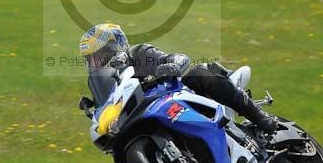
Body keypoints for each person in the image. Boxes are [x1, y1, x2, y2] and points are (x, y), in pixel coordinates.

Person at [79, 23, 278, 134]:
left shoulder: (140, 53)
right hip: (148, 118)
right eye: (92, 60)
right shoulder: (106, 81)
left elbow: (177, 58)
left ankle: (260, 116)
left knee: (199, 72)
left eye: (101, 56)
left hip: (179, 97)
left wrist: (172, 65)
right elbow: (108, 106)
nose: (96, 63)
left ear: (116, 47)